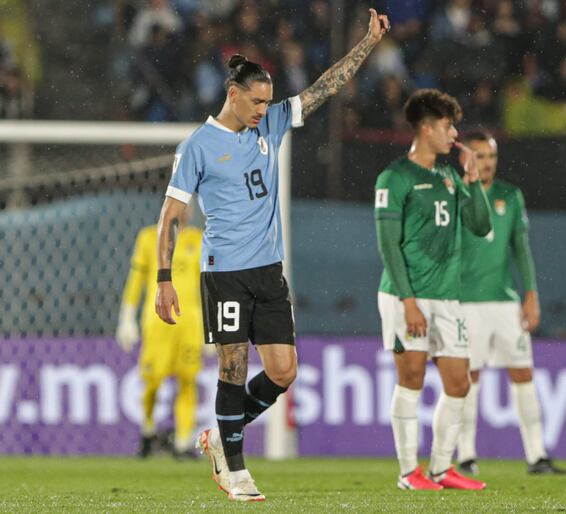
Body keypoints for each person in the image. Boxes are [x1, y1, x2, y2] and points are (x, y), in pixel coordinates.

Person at [154, 9, 391, 502]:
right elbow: (172, 215)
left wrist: (367, 43)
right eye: (256, 101)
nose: (265, 109)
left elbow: (326, 87)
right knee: (233, 367)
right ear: (233, 95)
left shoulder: (274, 122)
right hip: (225, 273)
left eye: (268, 101)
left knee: (284, 371)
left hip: (267, 271)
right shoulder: (197, 147)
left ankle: (222, 434)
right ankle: (235, 470)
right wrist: (163, 277)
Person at [375, 89, 492, 491]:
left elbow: (480, 225)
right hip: (406, 295)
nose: (454, 134)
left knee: (459, 382)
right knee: (411, 378)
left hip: (447, 296)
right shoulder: (394, 178)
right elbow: (388, 246)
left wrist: (472, 180)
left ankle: (442, 468)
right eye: (447, 126)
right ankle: (410, 471)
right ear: (426, 129)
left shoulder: (447, 176)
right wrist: (409, 302)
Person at [455, 131, 566, 475]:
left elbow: (521, 247)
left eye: (490, 156)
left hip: (504, 301)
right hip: (465, 302)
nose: (486, 162)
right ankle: (466, 456)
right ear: (465, 159)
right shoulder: (454, 194)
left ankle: (537, 455)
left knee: (523, 373)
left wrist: (531, 293)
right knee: (467, 378)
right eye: (479, 155)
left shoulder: (509, 195)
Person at [116, 209, 204, 458]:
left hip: (190, 322)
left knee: (188, 380)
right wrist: (126, 317)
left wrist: (210, 327)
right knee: (152, 380)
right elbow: (136, 278)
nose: (183, 211)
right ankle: (148, 429)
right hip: (157, 321)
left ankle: (184, 442)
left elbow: (206, 284)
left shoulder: (199, 240)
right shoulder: (148, 237)